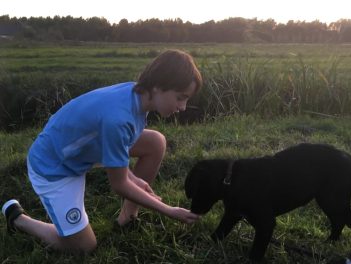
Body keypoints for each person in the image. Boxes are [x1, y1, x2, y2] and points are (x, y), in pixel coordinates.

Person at [1, 49, 202, 253]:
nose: (183, 107)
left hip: (80, 150)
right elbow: (119, 184)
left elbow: (112, 142)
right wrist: (168, 210)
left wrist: (134, 178)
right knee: (84, 247)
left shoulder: (137, 96)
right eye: (180, 97)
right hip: (54, 168)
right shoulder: (119, 119)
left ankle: (128, 218)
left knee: (155, 142)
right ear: (159, 86)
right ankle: (18, 219)